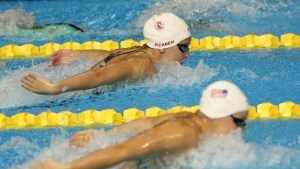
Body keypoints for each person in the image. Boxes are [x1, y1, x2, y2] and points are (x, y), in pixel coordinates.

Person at [31, 80, 249, 169]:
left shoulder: (187, 117)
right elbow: (124, 150)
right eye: (238, 121)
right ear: (217, 116)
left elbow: (145, 123)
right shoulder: (182, 134)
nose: (242, 129)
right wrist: (68, 168)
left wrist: (104, 135)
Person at [21, 13, 192, 95]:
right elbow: (98, 76)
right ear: (163, 46)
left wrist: (77, 54)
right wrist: (54, 88)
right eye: (183, 47)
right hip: (70, 96)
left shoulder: (138, 51)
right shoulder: (141, 64)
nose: (187, 55)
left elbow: (108, 54)